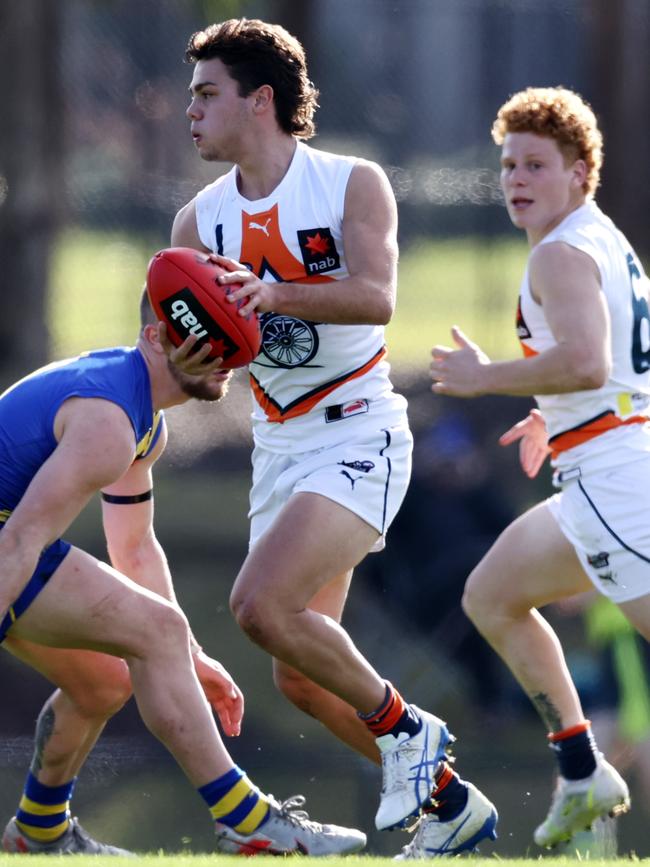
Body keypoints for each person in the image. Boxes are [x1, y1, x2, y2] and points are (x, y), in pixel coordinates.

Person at [162, 17, 498, 858]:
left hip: (359, 430)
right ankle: (453, 804)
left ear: (260, 99)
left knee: (255, 604)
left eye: (207, 94)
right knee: (301, 679)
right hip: (278, 447)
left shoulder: (352, 183)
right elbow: (203, 377)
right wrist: (199, 364)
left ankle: (407, 729)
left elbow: (377, 296)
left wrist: (270, 297)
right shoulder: (194, 226)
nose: (190, 112)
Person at [0, 287, 367, 857]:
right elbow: (20, 540)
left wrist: (190, 654)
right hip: (9, 546)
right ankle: (247, 822)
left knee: (106, 678)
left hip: (12, 544)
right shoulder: (110, 423)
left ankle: (38, 833)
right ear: (155, 338)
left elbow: (135, 547)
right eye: (213, 338)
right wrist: (170, 639)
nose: (228, 356)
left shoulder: (142, 423)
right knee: (155, 632)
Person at [429, 85, 649, 848]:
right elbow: (610, 366)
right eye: (508, 165)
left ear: (581, 173)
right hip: (597, 471)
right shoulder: (598, 237)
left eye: (536, 165)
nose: (516, 179)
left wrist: (486, 376)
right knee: (490, 596)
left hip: (619, 484)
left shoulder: (559, 252)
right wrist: (552, 416)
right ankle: (584, 770)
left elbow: (588, 361)